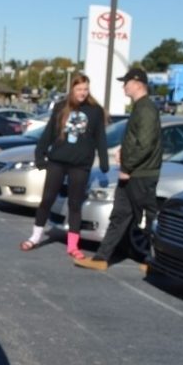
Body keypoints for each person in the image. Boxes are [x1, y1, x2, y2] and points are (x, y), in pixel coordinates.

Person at [75, 68, 162, 271]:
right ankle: (101, 258)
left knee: (147, 219)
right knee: (120, 215)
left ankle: (156, 261)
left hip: (141, 174)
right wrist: (123, 151)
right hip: (132, 172)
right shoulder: (140, 108)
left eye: (126, 82)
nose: (124, 86)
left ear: (137, 83)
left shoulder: (147, 108)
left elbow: (146, 143)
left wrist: (128, 167)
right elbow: (136, 139)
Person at [20, 72, 108, 259]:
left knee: (75, 204)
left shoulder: (95, 111)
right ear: (72, 89)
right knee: (47, 199)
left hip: (80, 164)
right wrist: (40, 154)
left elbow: (100, 137)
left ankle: (73, 245)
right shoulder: (61, 107)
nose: (82, 93)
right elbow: (49, 133)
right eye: (79, 89)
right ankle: (35, 237)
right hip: (57, 161)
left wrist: (104, 161)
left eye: (85, 89)